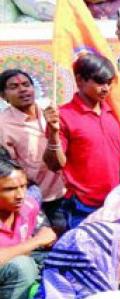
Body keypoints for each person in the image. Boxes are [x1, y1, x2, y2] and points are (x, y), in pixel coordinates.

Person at [43, 53, 120, 229]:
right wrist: (54, 134)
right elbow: (55, 165)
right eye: (100, 82)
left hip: (114, 201)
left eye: (109, 82)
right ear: (80, 80)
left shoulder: (113, 113)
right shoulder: (62, 116)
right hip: (81, 205)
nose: (106, 88)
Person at [0, 69, 65, 230]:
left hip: (65, 194)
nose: (22, 90)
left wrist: (53, 130)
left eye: (26, 84)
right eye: (14, 87)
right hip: (32, 200)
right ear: (3, 96)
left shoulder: (51, 112)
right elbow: (9, 171)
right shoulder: (3, 126)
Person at [0, 159, 55, 299]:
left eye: (23, 186)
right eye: (9, 189)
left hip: (14, 269)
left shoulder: (28, 206)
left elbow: (49, 237)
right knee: (23, 266)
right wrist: (36, 241)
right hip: (15, 270)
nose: (20, 195)